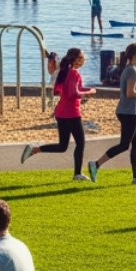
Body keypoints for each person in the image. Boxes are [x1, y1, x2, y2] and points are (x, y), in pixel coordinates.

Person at [89, 43, 136, 184]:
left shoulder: (132, 70)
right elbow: (130, 93)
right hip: (128, 112)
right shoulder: (132, 71)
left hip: (130, 111)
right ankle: (95, 164)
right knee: (124, 145)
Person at [21, 48, 96, 179]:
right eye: (82, 58)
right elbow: (74, 93)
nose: (83, 60)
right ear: (77, 60)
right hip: (71, 113)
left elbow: (66, 90)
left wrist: (88, 89)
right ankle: (77, 174)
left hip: (61, 113)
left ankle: (34, 149)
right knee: (80, 143)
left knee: (62, 146)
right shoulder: (73, 73)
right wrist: (88, 93)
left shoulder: (64, 72)